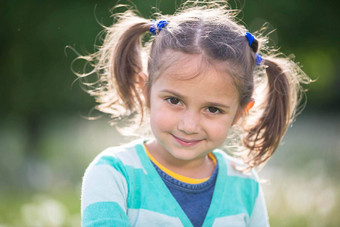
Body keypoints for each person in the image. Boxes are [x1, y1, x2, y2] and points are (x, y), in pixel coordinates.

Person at [77, 0, 311, 226]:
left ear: (240, 113)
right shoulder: (114, 174)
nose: (189, 125)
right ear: (145, 89)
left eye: (212, 109)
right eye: (174, 100)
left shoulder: (245, 186)